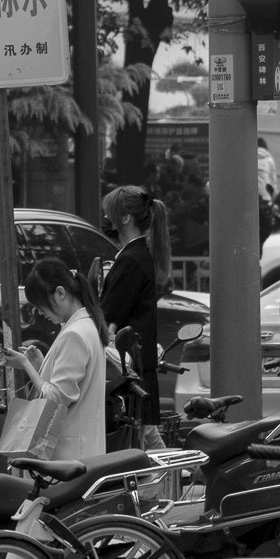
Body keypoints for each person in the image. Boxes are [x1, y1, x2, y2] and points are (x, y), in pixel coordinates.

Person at [0, 258, 108, 461]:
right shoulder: (87, 325)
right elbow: (70, 385)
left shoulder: (73, 333)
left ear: (60, 293)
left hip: (68, 456)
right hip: (83, 450)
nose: (40, 313)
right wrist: (40, 366)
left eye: (41, 306)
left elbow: (57, 399)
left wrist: (25, 365)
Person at [97, 186, 171, 445]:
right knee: (146, 438)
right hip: (138, 364)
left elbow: (108, 316)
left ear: (125, 218)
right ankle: (184, 475)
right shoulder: (141, 255)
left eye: (109, 213)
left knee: (137, 444)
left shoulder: (130, 260)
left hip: (129, 370)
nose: (105, 219)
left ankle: (179, 478)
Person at [256, 138, 279, 243]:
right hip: (266, 198)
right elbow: (273, 181)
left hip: (252, 198)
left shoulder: (248, 155)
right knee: (265, 226)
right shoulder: (269, 159)